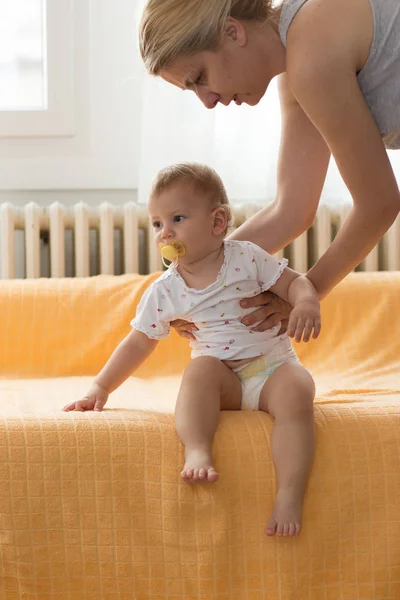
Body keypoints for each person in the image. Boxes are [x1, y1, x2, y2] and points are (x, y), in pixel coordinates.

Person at [63, 163, 321, 537]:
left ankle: (289, 494)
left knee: (299, 387)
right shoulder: (166, 290)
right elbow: (139, 340)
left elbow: (293, 283)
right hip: (224, 381)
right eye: (156, 224)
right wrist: (100, 388)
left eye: (177, 218)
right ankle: (197, 448)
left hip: (271, 368)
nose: (164, 232)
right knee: (198, 372)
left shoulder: (247, 257)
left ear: (218, 222)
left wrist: (307, 303)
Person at [139, 0, 400, 340]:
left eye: (200, 78)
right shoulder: (298, 67)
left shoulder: (311, 56)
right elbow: (290, 210)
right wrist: (194, 283)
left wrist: (303, 294)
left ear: (233, 31)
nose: (207, 101)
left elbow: (378, 203)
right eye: (193, 90)